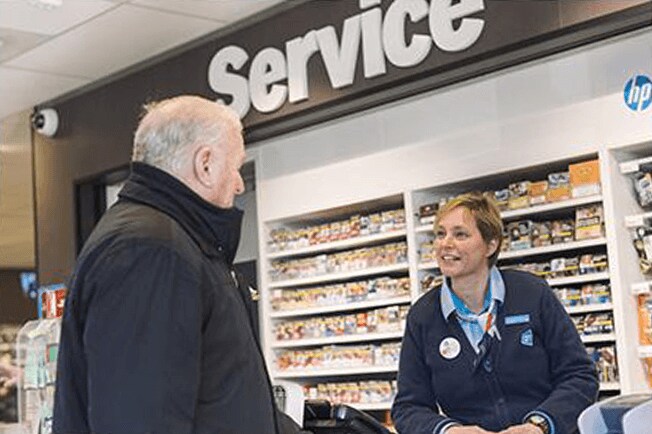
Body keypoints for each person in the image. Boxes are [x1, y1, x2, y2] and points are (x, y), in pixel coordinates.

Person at [53, 95, 299, 434]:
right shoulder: (151, 252)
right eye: (236, 165)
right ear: (206, 164)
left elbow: (219, 400)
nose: (240, 183)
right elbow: (140, 423)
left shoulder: (176, 243)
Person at [391, 192, 598, 434]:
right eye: (440, 234)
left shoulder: (531, 293)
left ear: (491, 245)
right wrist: (447, 430)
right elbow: (408, 407)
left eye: (460, 234)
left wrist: (540, 425)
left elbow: (580, 375)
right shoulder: (423, 316)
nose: (445, 244)